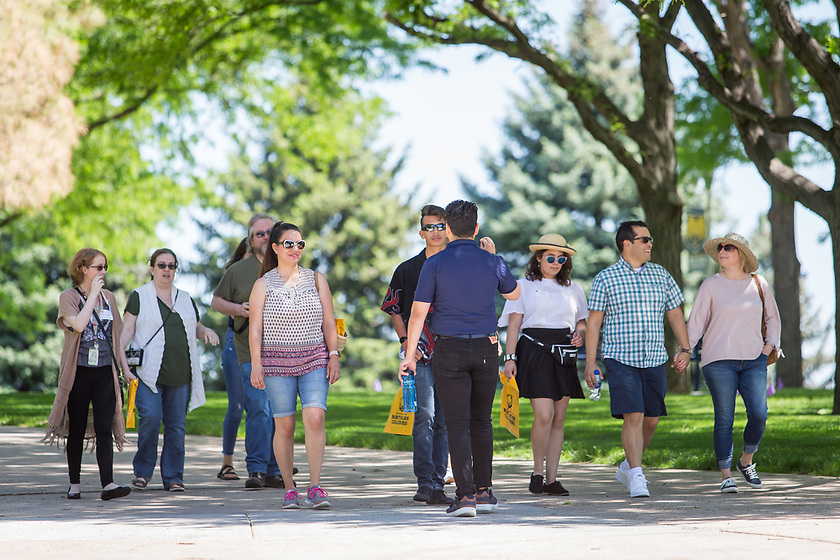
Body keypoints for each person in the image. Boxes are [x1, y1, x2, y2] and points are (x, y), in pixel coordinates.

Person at [400, 200, 520, 518]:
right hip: (484, 350)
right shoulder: (493, 261)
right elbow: (514, 294)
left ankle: (465, 497)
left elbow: (417, 313)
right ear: (477, 228)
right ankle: (484, 491)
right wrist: (493, 259)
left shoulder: (434, 264)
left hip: (448, 349)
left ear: (448, 229)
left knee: (456, 423)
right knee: (482, 421)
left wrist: (410, 355)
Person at [584, 220, 690, 498]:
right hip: (620, 357)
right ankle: (638, 475)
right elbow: (594, 323)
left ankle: (628, 467)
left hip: (654, 357)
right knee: (634, 415)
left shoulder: (661, 275)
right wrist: (591, 362)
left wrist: (686, 348)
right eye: (644, 239)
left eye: (650, 238)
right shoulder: (605, 278)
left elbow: (675, 313)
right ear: (627, 244)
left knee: (652, 419)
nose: (650, 244)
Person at [249, 223, 342, 509]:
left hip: (314, 357)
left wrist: (334, 354)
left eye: (300, 244)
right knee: (285, 425)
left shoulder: (316, 279)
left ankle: (315, 486)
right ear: (274, 248)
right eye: (288, 244)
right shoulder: (263, 284)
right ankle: (290, 488)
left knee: (315, 417)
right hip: (275, 362)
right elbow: (255, 330)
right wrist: (256, 365)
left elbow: (329, 321)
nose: (295, 249)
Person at [685, 233, 780, 493]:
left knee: (759, 415)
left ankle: (746, 462)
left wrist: (769, 346)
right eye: (720, 248)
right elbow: (696, 323)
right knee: (724, 417)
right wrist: (685, 350)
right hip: (718, 360)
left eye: (728, 247)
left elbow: (772, 318)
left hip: (754, 359)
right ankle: (726, 475)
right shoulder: (711, 285)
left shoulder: (759, 283)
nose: (722, 252)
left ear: (741, 254)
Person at [121, 248, 219, 492]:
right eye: (161, 265)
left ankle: (173, 477)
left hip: (181, 374)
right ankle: (142, 473)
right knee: (151, 419)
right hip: (147, 374)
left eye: (171, 266)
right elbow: (127, 331)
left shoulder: (185, 298)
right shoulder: (139, 296)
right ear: (152, 268)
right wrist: (119, 361)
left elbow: (195, 326)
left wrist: (205, 331)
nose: (167, 270)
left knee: (176, 427)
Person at [499, 233, 588, 497]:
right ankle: (537, 472)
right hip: (534, 351)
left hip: (563, 351)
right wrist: (510, 358)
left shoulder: (573, 288)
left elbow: (581, 320)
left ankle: (552, 480)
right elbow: (514, 324)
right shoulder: (522, 286)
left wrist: (580, 333)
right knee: (544, 415)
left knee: (559, 419)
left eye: (562, 259)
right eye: (550, 257)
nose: (556, 262)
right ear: (538, 258)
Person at [44, 248, 134, 501]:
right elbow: (79, 325)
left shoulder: (109, 298)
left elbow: (116, 338)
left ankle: (109, 484)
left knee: (105, 427)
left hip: (104, 371)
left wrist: (125, 370)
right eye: (98, 267)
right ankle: (75, 484)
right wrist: (92, 294)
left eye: (105, 267)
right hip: (79, 372)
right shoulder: (68, 297)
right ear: (83, 268)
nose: (103, 272)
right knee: (77, 428)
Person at [381, 204, 452, 506]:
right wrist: (405, 340)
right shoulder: (407, 269)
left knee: (446, 420)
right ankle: (425, 481)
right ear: (421, 232)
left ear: (447, 229)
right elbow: (393, 308)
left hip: (453, 349)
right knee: (425, 415)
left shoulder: (457, 264)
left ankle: (439, 481)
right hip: (418, 352)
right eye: (429, 227)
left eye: (440, 226)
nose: (435, 232)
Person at [211, 213, 285, 490]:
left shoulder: (289, 268)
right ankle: (255, 469)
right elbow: (216, 301)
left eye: (269, 232)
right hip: (246, 349)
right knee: (257, 406)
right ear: (250, 240)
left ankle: (274, 469)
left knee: (279, 410)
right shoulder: (238, 270)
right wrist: (238, 309)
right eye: (259, 234)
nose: (265, 238)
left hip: (284, 351)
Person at [218, 237, 249, 481]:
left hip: (268, 343)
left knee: (266, 407)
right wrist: (240, 309)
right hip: (235, 341)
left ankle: (271, 461)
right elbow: (216, 303)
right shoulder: (234, 274)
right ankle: (227, 463)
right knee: (237, 406)